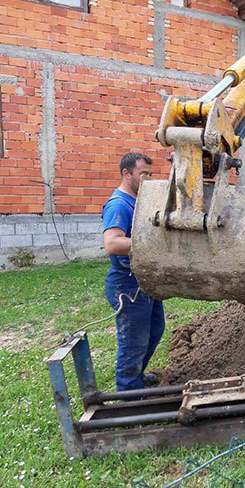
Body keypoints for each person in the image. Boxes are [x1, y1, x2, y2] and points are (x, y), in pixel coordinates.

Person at [102, 152, 165, 392]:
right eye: (143, 174)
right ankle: (128, 393)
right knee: (133, 342)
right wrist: (149, 242)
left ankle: (137, 376)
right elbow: (112, 243)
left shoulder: (137, 201)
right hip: (127, 286)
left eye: (151, 173)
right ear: (126, 174)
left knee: (155, 329)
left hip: (144, 281)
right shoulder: (119, 204)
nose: (148, 178)